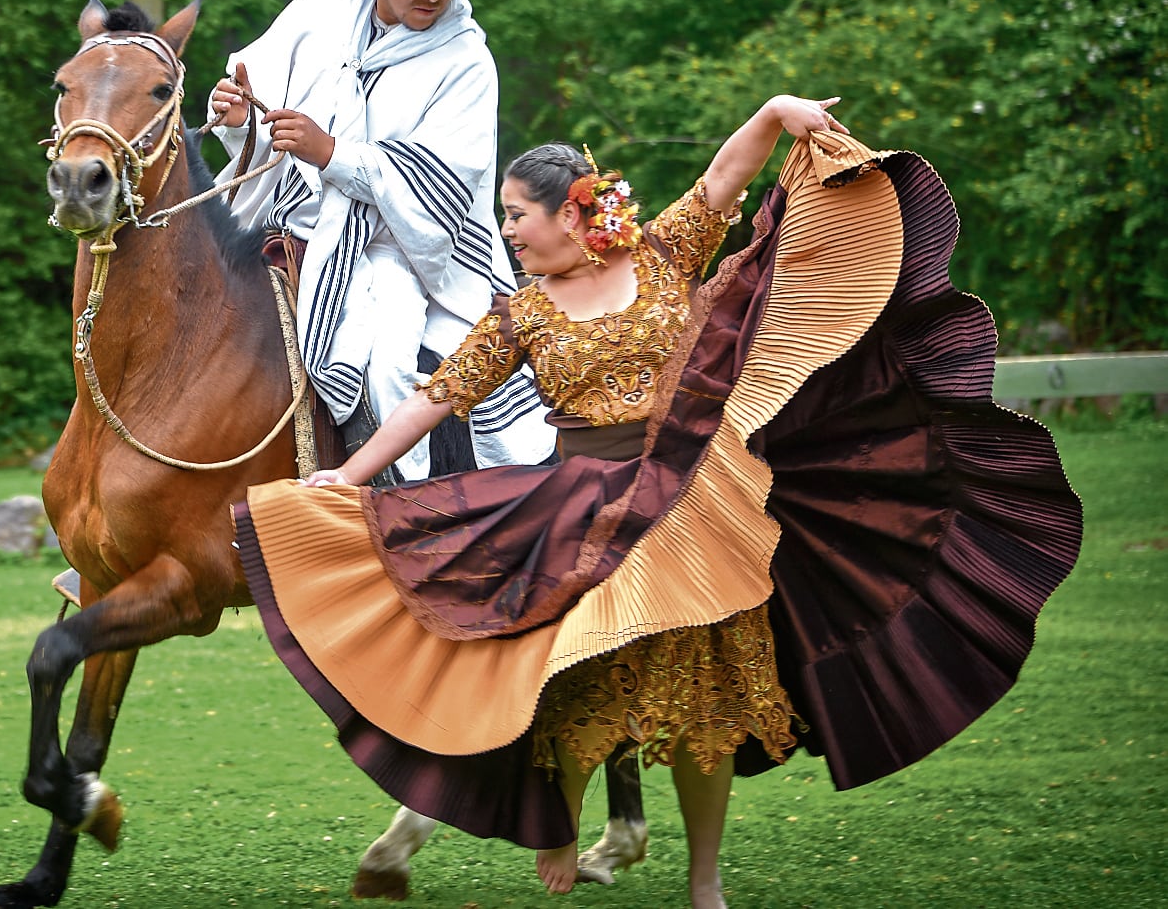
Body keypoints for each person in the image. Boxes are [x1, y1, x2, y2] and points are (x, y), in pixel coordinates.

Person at [231, 101, 1084, 904]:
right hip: (580, 514)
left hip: (692, 508)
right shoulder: (521, 315)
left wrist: (775, 114)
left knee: (705, 703)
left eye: (517, 214)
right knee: (571, 681)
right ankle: (562, 824)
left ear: (572, 212)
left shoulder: (664, 255)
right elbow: (436, 398)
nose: (507, 230)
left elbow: (724, 177)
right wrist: (350, 477)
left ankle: (704, 883)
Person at [207, 0, 554, 481]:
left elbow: (442, 187)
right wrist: (239, 118)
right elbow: (256, 106)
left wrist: (331, 153)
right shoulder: (319, 12)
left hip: (399, 251)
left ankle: (397, 503)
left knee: (387, 365)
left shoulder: (467, 61)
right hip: (283, 220)